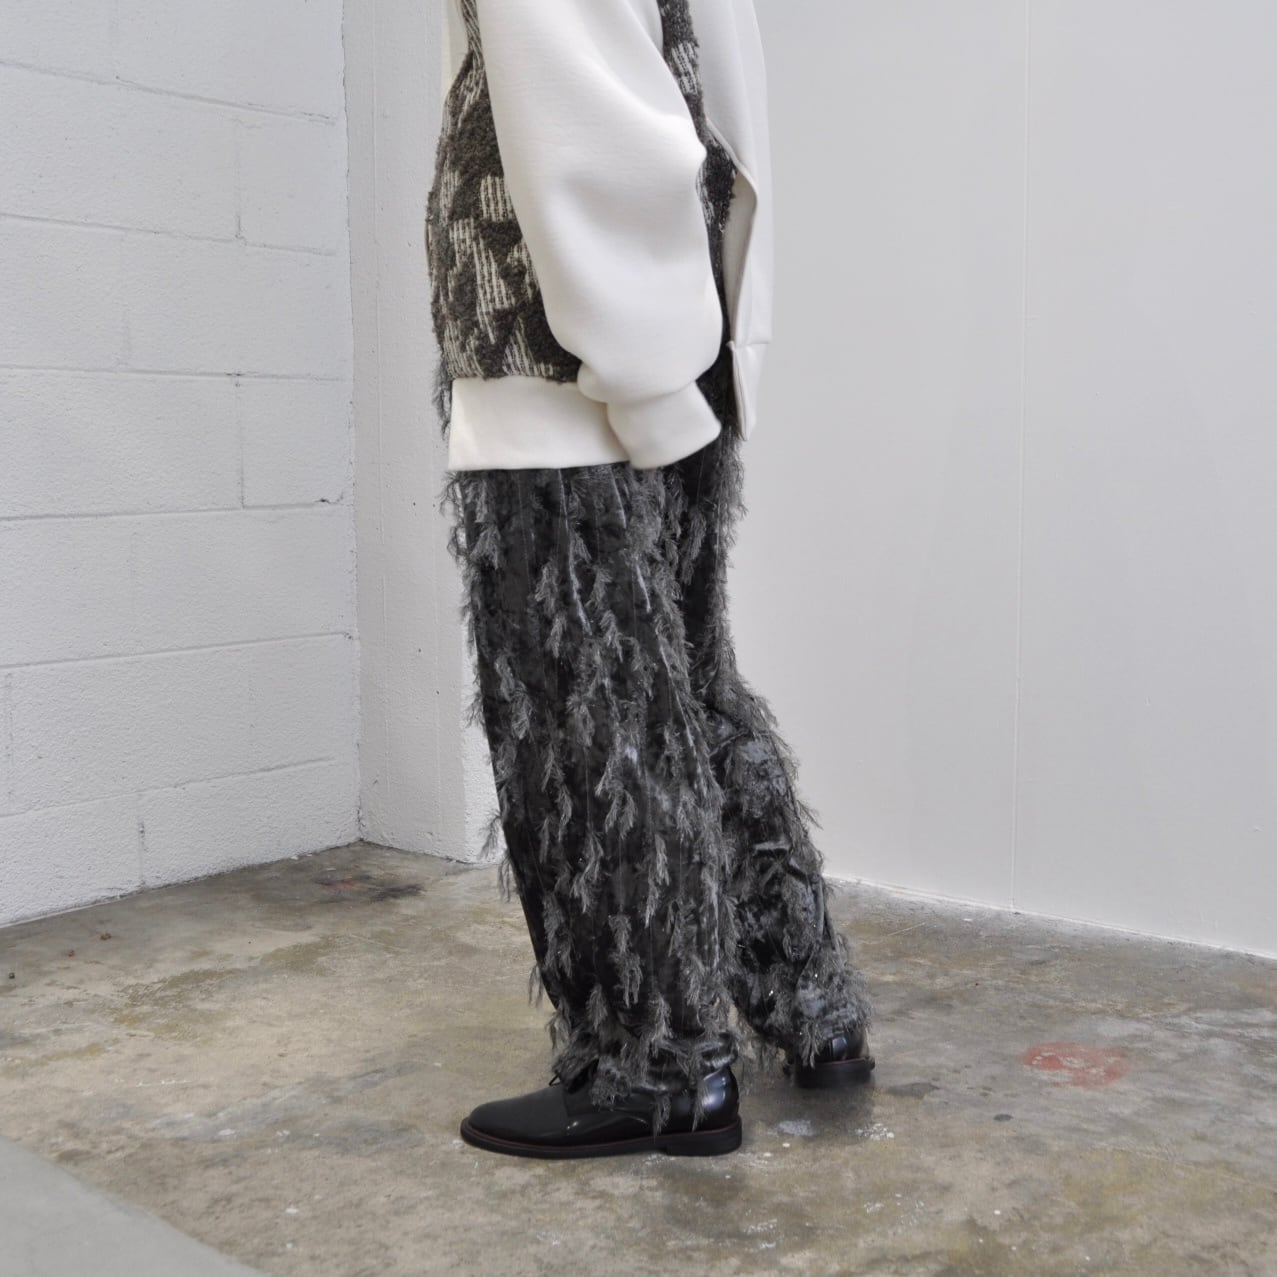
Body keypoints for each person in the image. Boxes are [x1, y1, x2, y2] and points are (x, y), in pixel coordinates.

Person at [424, 0, 874, 1160]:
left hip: (567, 359)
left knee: (586, 727)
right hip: (666, 336)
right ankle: (806, 1003)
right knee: (679, 688)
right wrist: (693, 362)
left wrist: (639, 372)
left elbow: (583, 100)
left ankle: (652, 1063)